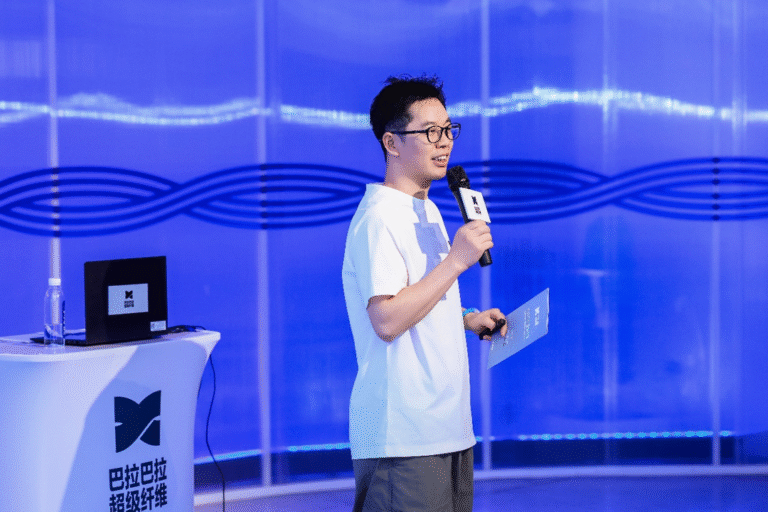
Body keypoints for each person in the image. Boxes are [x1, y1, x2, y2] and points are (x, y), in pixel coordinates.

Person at [341, 74, 508, 512]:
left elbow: (418, 295)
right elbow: (386, 320)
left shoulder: (427, 208)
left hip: (448, 426)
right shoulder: (379, 218)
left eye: (449, 129)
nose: (445, 141)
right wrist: (456, 261)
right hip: (404, 434)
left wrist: (467, 318)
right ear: (391, 143)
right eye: (430, 132)